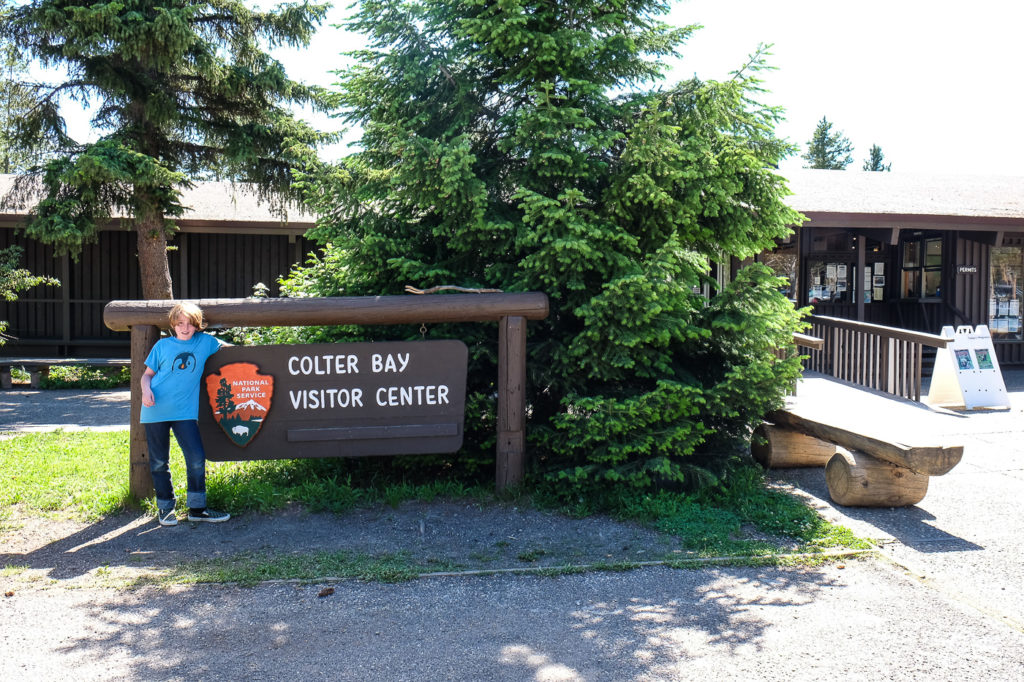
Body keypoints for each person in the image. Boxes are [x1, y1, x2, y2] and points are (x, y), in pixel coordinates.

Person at [140, 302, 230, 526]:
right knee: (159, 461)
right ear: (173, 325)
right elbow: (147, 375)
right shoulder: (162, 346)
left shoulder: (205, 342)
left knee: (196, 458)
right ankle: (165, 508)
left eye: (190, 324)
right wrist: (145, 391)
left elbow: (228, 347)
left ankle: (197, 509)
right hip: (155, 409)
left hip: (185, 413)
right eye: (180, 323)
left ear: (197, 326)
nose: (185, 327)